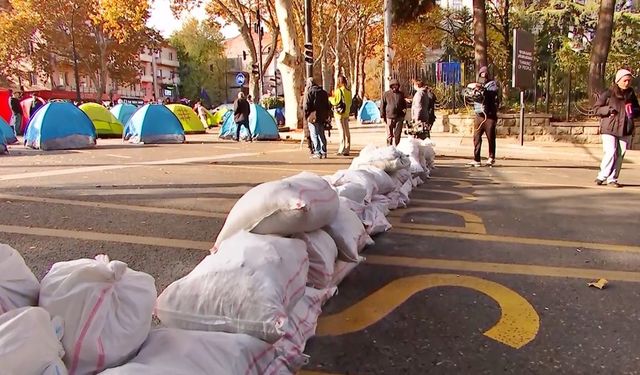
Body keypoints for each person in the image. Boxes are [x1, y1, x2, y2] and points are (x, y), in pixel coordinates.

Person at [593, 69, 640, 188]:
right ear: (618, 80)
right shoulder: (608, 93)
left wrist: (633, 112)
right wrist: (608, 110)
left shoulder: (630, 94)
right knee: (610, 151)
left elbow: (637, 110)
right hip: (610, 127)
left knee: (620, 153)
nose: (627, 83)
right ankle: (602, 176)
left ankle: (612, 178)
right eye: (625, 80)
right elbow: (596, 109)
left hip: (625, 128)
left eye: (629, 81)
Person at [469, 66, 499, 167]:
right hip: (479, 115)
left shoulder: (492, 84)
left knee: (490, 137)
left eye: (485, 74)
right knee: (476, 137)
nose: (483, 76)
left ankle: (491, 157)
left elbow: (492, 94)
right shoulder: (477, 85)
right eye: (481, 74)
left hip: (489, 116)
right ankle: (476, 158)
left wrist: (483, 89)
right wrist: (474, 90)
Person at [303, 77, 331, 159]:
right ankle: (324, 151)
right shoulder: (323, 92)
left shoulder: (309, 92)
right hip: (322, 116)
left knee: (314, 134)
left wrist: (306, 116)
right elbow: (328, 105)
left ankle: (318, 152)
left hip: (313, 116)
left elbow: (306, 106)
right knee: (321, 133)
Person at [329, 76, 352, 156]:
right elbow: (350, 102)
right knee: (347, 131)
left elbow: (335, 101)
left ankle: (341, 149)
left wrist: (330, 98)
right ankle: (347, 149)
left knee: (341, 131)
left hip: (339, 113)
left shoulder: (338, 91)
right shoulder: (349, 91)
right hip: (346, 112)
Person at [381, 78, 407, 146]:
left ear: (398, 86)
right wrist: (382, 116)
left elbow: (404, 105)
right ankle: (389, 147)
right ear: (391, 86)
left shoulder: (401, 94)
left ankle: (397, 148)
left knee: (397, 134)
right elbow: (382, 105)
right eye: (393, 85)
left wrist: (404, 112)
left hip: (399, 117)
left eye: (396, 85)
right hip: (389, 117)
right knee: (389, 135)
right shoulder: (386, 94)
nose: (395, 87)